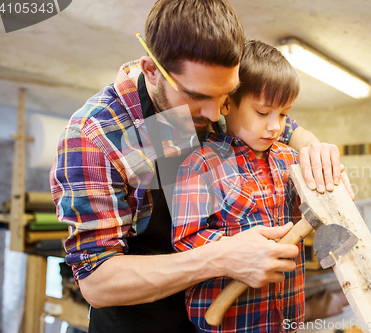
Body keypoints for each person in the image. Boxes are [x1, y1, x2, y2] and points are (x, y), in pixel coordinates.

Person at [49, 0, 353, 332]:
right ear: (152, 70)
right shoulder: (95, 137)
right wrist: (220, 257)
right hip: (140, 320)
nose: (214, 114)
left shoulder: (215, 95)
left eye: (227, 95)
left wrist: (314, 150)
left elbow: (287, 129)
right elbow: (97, 282)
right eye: (198, 98)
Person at [172, 40, 305, 332]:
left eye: (283, 114)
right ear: (227, 103)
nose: (276, 127)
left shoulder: (289, 160)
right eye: (262, 113)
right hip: (230, 321)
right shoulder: (201, 165)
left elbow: (308, 211)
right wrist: (232, 251)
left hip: (287, 315)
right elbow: (186, 241)